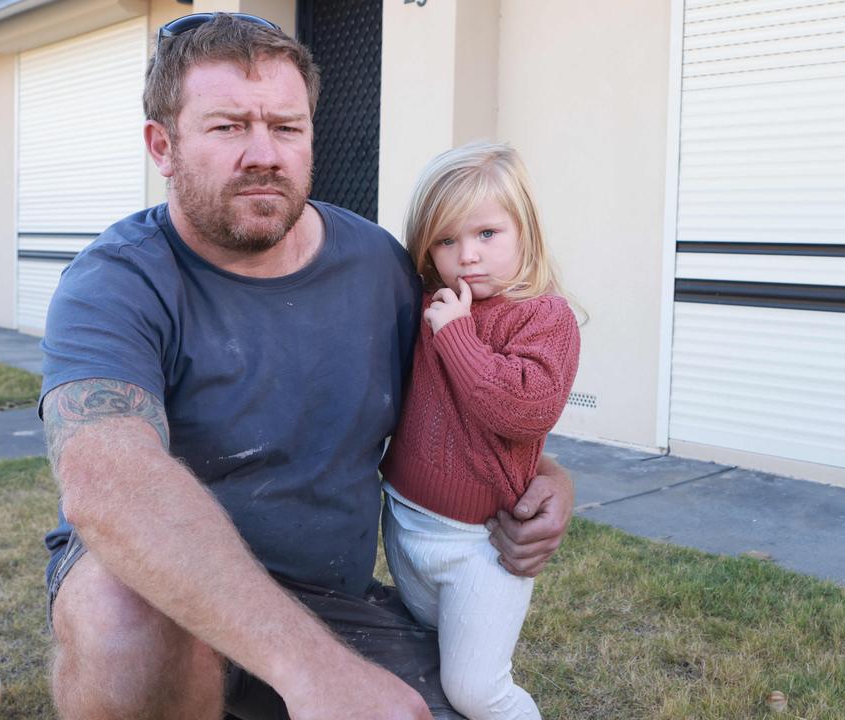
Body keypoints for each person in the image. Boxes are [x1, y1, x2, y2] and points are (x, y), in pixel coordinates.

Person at [38, 13, 574, 720]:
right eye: (228, 127)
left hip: (328, 604)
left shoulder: (381, 270)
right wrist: (309, 670)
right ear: (161, 145)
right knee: (121, 613)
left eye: (286, 128)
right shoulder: (114, 282)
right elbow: (109, 482)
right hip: (161, 594)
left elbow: (462, 397)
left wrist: (549, 478)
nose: (264, 153)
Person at [379, 142, 581, 720]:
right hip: (405, 520)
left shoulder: (544, 317)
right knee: (434, 659)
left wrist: (458, 336)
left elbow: (524, 411)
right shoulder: (430, 303)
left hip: (480, 545)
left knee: (477, 690)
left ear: (526, 232)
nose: (467, 256)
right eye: (446, 239)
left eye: (487, 234)